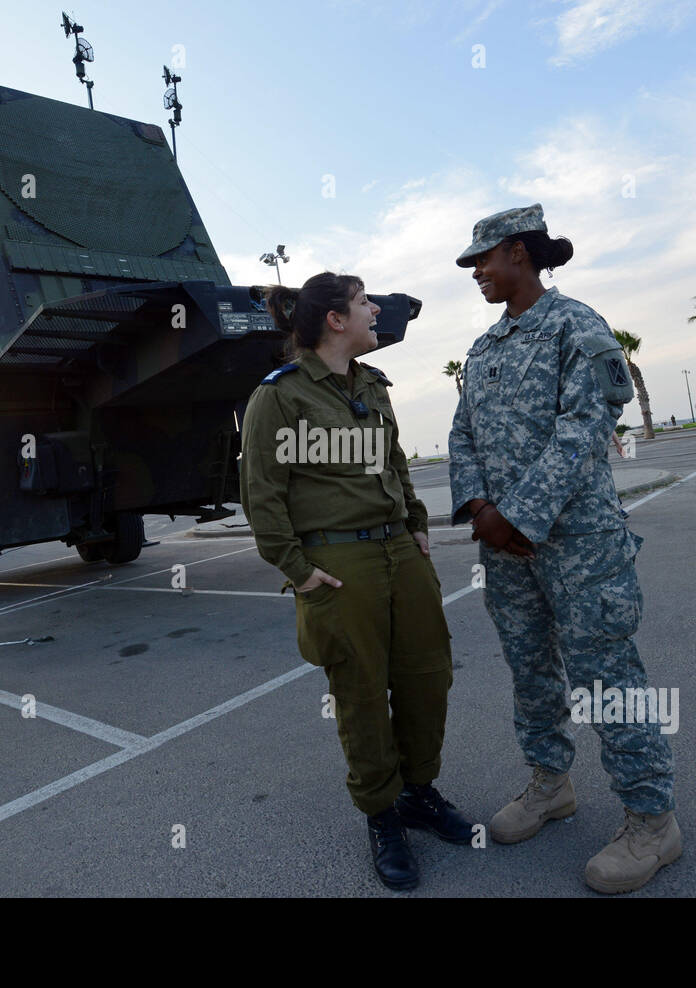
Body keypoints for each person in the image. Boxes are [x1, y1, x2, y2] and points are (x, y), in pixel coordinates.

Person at [448, 204, 679, 894]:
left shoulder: (577, 325)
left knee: (609, 680)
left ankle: (652, 821)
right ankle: (552, 785)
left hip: (580, 544)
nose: (477, 273)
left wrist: (518, 512)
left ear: (518, 253)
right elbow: (462, 437)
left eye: (483, 259)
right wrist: (482, 509)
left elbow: (585, 428)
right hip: (506, 551)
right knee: (531, 673)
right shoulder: (484, 350)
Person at [240, 272, 472, 891]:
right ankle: (382, 814)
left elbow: (394, 459)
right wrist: (296, 568)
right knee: (362, 691)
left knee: (428, 674)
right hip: (340, 566)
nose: (376, 310)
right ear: (335, 321)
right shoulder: (280, 397)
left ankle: (419, 791)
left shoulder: (373, 383)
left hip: (401, 551)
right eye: (364, 302)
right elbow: (263, 493)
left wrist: (417, 522)